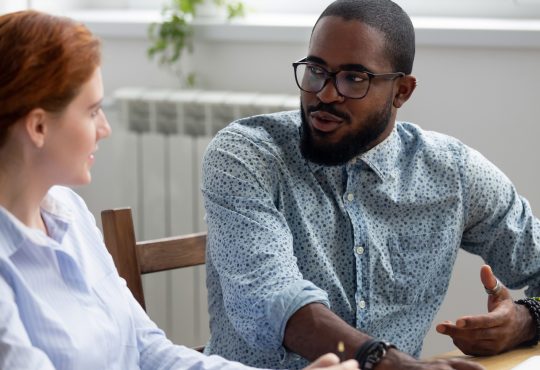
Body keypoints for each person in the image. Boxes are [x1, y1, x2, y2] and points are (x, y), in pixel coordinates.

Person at [0, 10, 359, 370]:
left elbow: (146, 348)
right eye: (92, 111)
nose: (105, 128)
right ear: (38, 126)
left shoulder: (68, 212)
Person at [201, 0, 540, 369]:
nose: (326, 94)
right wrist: (384, 362)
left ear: (402, 91)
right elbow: (272, 299)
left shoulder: (452, 174)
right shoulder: (246, 155)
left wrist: (525, 320)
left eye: (353, 78)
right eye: (316, 70)